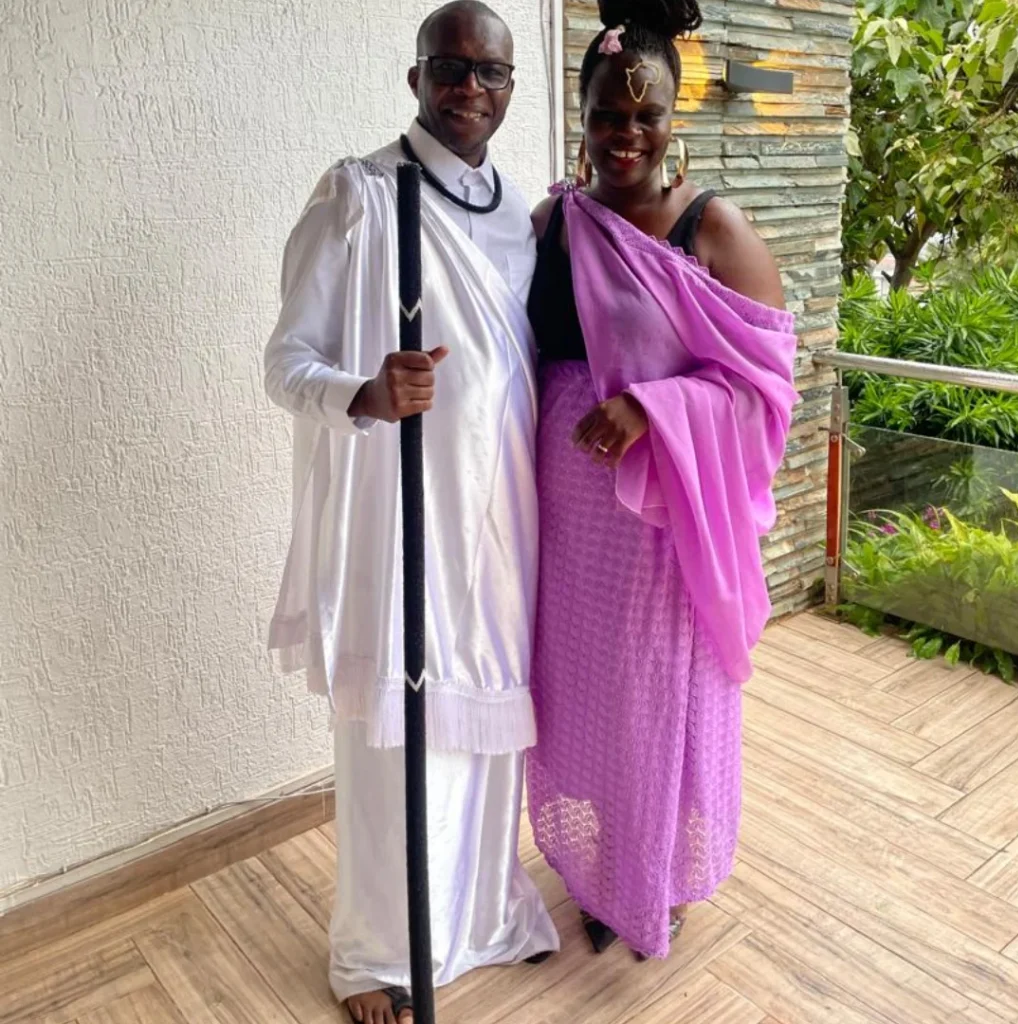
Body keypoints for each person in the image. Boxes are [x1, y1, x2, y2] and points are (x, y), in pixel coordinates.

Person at [263, 3, 558, 1020]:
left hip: (498, 516)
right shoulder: (357, 194)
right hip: (399, 522)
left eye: (490, 71)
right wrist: (366, 392)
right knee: (397, 734)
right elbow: (284, 362)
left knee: (484, 725)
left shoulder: (519, 212)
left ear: (511, 88)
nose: (468, 87)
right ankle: (380, 951)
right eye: (449, 66)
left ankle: (479, 913)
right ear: (416, 75)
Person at [525, 0, 800, 962]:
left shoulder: (710, 227)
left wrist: (652, 410)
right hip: (565, 520)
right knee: (585, 696)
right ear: (584, 110)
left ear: (673, 117)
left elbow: (766, 383)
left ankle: (648, 881)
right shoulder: (558, 220)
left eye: (645, 116)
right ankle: (599, 870)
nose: (626, 135)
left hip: (656, 522)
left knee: (648, 706)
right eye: (608, 113)